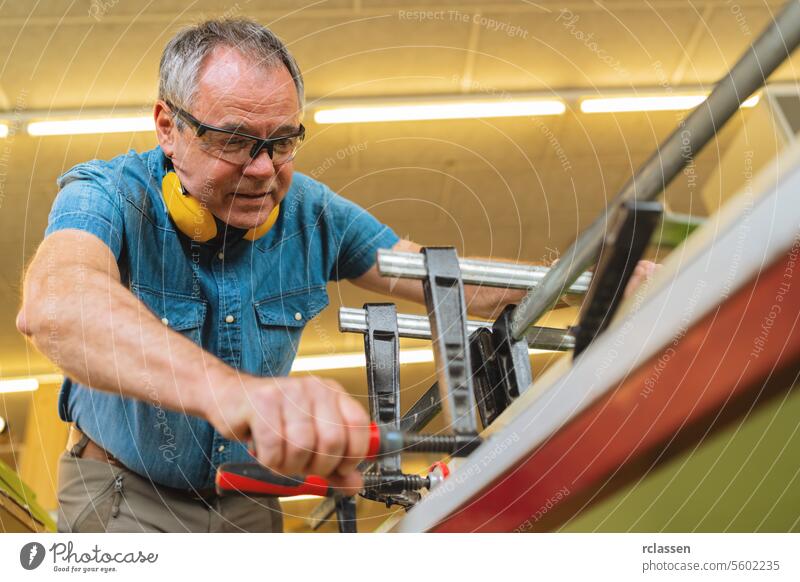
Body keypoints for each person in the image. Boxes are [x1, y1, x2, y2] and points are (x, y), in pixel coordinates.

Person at [16, 19, 655, 533]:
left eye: (283, 141)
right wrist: (237, 394)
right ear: (168, 127)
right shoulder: (108, 195)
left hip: (248, 504)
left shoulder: (312, 211)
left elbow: (442, 281)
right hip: (123, 496)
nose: (264, 169)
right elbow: (57, 304)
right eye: (236, 141)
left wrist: (599, 278)